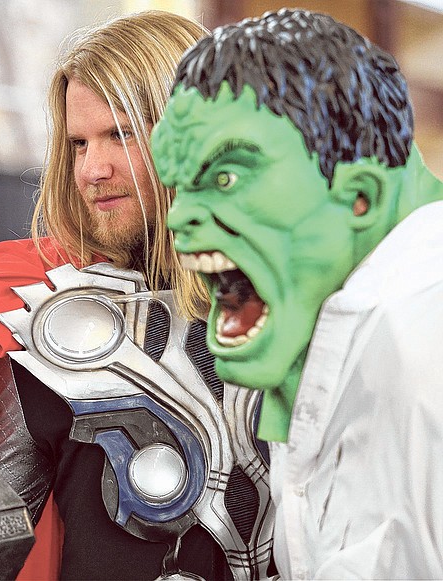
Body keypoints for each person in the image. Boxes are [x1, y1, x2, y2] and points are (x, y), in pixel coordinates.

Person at [0, 10, 275, 580]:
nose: (92, 168)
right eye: (79, 143)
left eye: (121, 133)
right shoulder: (57, 330)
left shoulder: (300, 313)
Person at [152, 7, 443, 578]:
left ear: (359, 195)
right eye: (179, 185)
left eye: (226, 178)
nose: (180, 215)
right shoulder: (329, 325)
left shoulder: (421, 342)